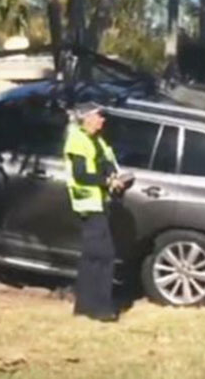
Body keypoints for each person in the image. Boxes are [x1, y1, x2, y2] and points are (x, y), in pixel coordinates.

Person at [63, 101, 129, 322]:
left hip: (100, 203)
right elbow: (81, 175)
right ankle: (99, 308)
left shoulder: (98, 140)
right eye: (99, 116)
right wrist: (107, 182)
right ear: (87, 118)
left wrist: (115, 177)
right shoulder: (77, 140)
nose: (103, 119)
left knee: (93, 256)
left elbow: (107, 161)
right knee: (103, 254)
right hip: (87, 204)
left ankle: (86, 305)